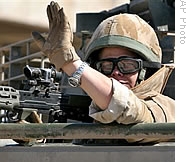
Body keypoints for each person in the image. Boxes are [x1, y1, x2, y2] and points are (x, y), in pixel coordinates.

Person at [32, 2, 174, 131]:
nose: (116, 72)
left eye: (127, 65)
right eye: (106, 66)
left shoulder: (165, 109)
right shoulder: (86, 110)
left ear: (146, 71)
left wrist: (70, 63)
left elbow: (126, 108)